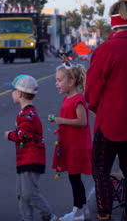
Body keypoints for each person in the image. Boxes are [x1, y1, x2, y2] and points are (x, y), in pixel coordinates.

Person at [85, 0, 127, 221]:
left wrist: (94, 106)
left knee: (101, 171)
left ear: (113, 21)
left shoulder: (106, 50)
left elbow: (92, 88)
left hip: (110, 121)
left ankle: (104, 215)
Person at [4, 75, 58, 221]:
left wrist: (10, 135)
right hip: (23, 159)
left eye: (13, 90)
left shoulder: (29, 115)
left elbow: (23, 135)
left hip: (32, 159)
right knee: (21, 193)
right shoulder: (24, 113)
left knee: (29, 192)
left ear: (20, 93)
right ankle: (26, 218)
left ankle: (48, 215)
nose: (11, 93)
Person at [48, 59, 92, 221]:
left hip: (77, 146)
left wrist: (61, 120)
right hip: (70, 143)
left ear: (72, 81)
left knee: (75, 178)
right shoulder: (67, 99)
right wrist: (58, 119)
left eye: (59, 80)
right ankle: (83, 208)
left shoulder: (78, 99)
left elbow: (82, 122)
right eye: (56, 80)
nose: (56, 84)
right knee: (74, 177)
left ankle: (78, 212)